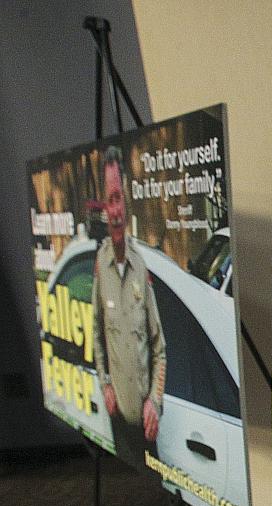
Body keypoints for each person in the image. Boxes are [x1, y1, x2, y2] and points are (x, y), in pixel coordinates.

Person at [93, 145, 166, 466]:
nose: (116, 209)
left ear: (126, 202)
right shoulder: (100, 264)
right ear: (104, 209)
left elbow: (160, 349)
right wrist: (105, 383)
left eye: (119, 197)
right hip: (118, 422)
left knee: (157, 494)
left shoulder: (141, 267)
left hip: (148, 428)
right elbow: (97, 335)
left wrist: (156, 400)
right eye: (110, 200)